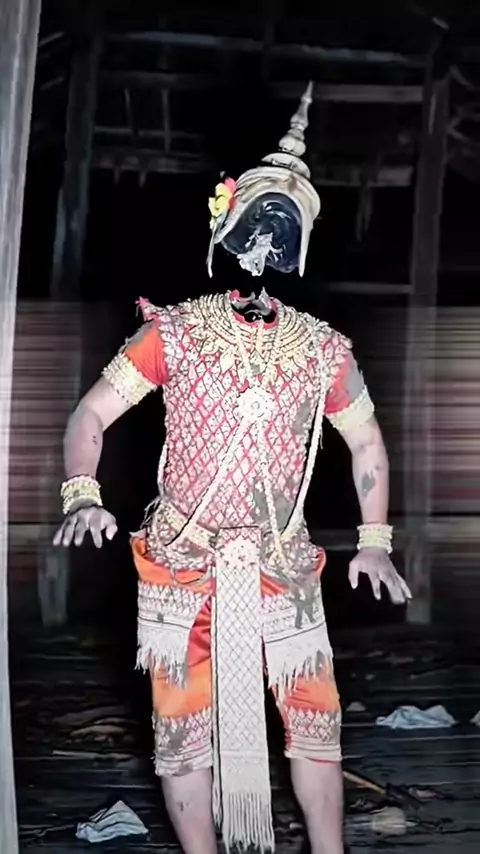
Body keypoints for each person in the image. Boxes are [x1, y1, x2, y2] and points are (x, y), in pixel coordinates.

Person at [54, 82, 411, 854]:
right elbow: (91, 416)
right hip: (182, 561)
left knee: (315, 721)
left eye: (283, 230)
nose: (266, 244)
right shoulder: (176, 333)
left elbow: (368, 444)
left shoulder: (323, 349)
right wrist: (83, 495)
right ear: (229, 226)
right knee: (181, 727)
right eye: (257, 223)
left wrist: (376, 539)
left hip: (282, 563)